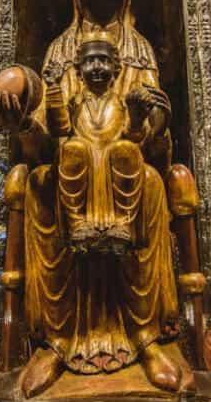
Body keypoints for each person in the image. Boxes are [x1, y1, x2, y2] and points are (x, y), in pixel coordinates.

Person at [0, 0, 193, 396]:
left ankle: (146, 337)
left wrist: (151, 126)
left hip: (127, 175)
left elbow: (156, 147)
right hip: (71, 176)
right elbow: (44, 140)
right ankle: (56, 339)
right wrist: (23, 120)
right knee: (44, 183)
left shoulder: (141, 51)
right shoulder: (58, 52)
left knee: (145, 182)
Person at [46, 34, 165, 257]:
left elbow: (133, 136)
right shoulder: (75, 102)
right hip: (82, 162)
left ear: (117, 69)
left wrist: (137, 118)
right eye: (90, 61)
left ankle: (123, 224)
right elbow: (59, 128)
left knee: (126, 150)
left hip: (114, 163)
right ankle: (76, 223)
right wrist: (53, 88)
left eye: (104, 60)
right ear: (79, 72)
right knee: (72, 149)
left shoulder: (122, 101)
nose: (97, 66)